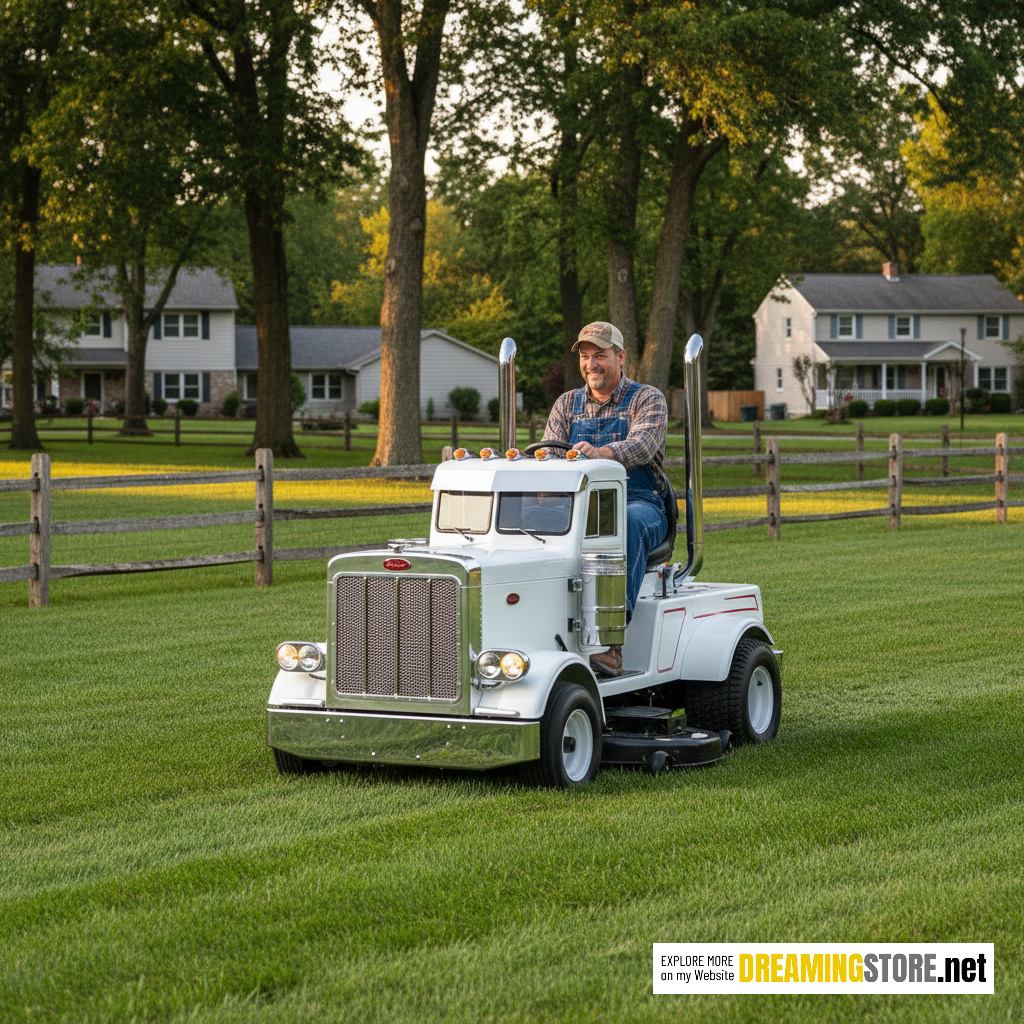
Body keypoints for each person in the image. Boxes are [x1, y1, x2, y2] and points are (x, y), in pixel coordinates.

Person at [542, 320, 669, 677]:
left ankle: (609, 645)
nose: (591, 364)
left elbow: (643, 446)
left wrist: (599, 453)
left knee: (621, 525)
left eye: (600, 355)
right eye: (585, 356)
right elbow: (549, 454)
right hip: (576, 507)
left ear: (621, 357)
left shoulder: (647, 398)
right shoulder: (567, 404)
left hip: (640, 502)